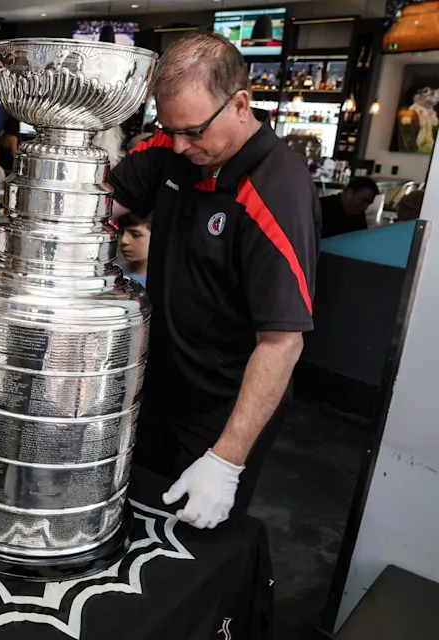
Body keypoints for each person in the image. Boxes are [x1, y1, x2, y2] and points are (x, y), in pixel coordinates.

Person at [106, 31, 319, 529]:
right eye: (169, 128)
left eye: (194, 131)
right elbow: (100, 203)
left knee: (190, 543)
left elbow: (282, 343)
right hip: (160, 383)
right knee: (131, 519)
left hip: (222, 409)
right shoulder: (177, 144)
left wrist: (226, 461)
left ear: (241, 104)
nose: (179, 145)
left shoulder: (275, 192)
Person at [115, 211, 151, 286]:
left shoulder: (171, 279)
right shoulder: (115, 275)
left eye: (135, 234)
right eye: (121, 233)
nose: (124, 240)